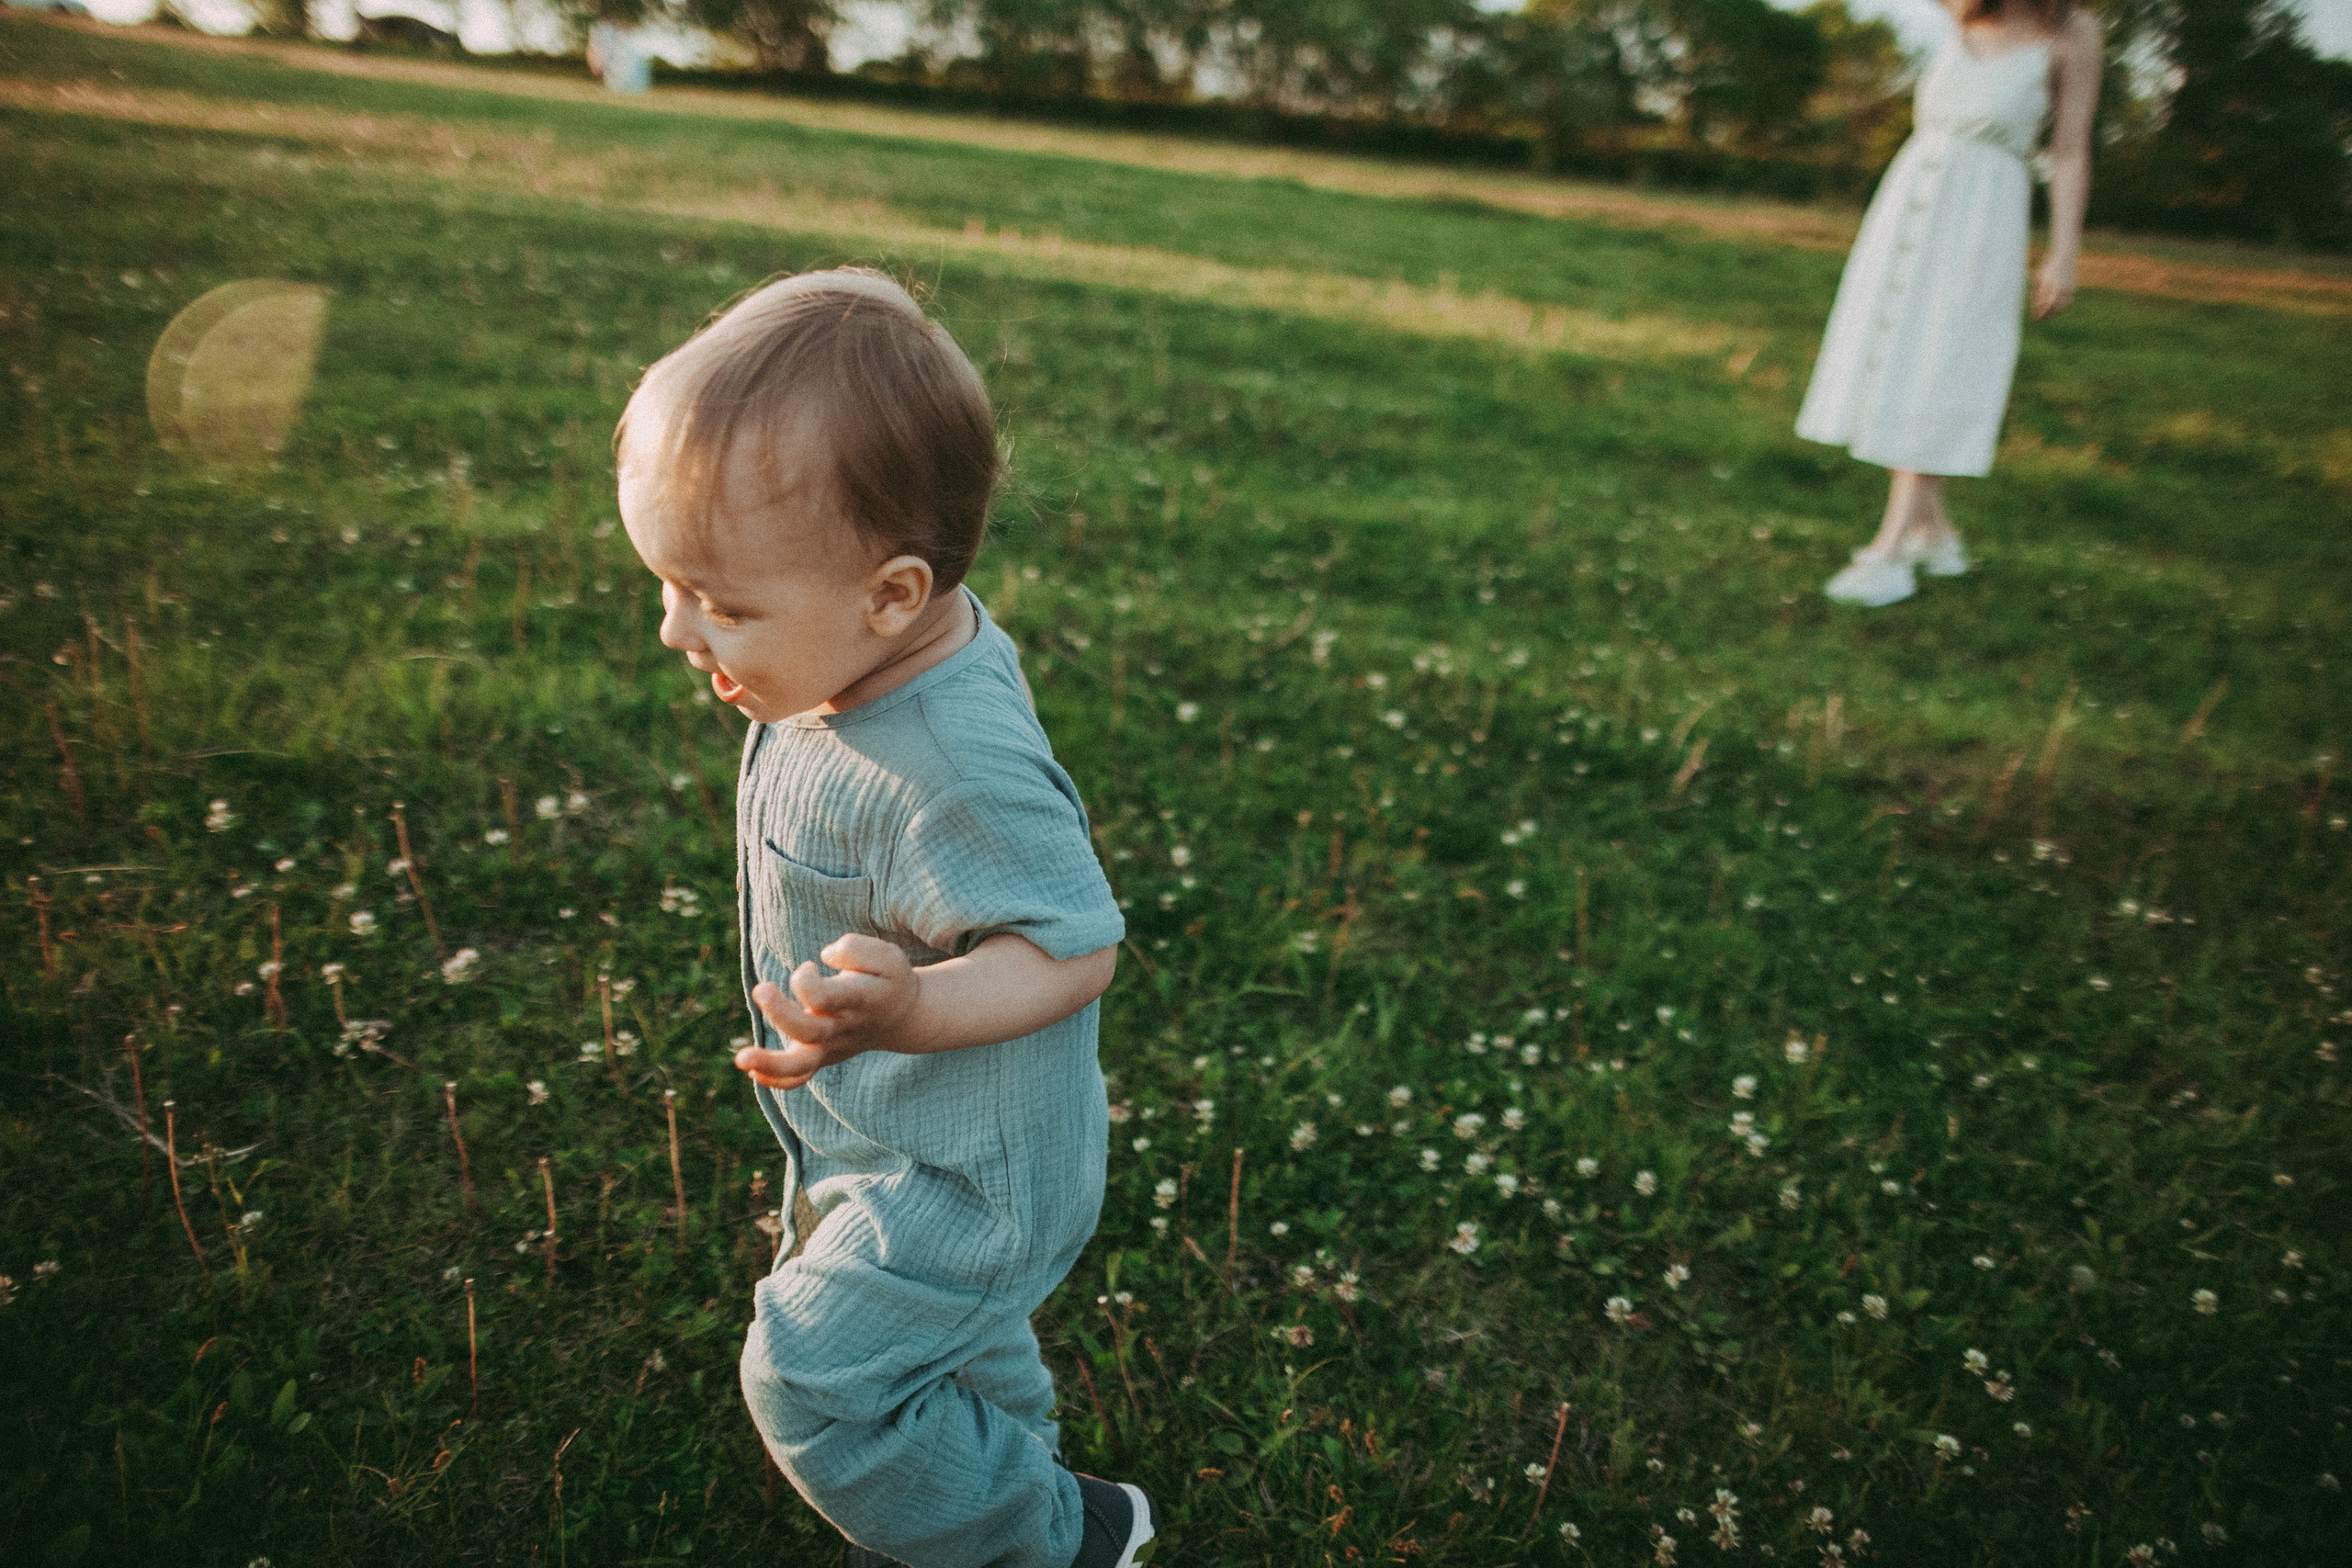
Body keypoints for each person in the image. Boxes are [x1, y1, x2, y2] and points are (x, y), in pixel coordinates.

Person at [615, 269, 1159, 1568]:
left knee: (810, 1373)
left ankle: (1049, 1537)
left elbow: (1074, 943)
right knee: (952, 1345)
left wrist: (913, 1004)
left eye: (722, 602)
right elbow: (852, 296)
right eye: (674, 587)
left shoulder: (951, 762)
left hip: (970, 1176)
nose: (675, 628)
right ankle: (987, 1481)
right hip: (887, 1131)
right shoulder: (861, 655)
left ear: (892, 595)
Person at [1794, 0, 2102, 607]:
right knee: (1894, 353)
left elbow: (2069, 150)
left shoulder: (2073, 32)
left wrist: (2063, 253)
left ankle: (1890, 550)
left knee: (1942, 363)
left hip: (1984, 213)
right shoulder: (1963, 14)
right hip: (1912, 197)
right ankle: (1934, 531)